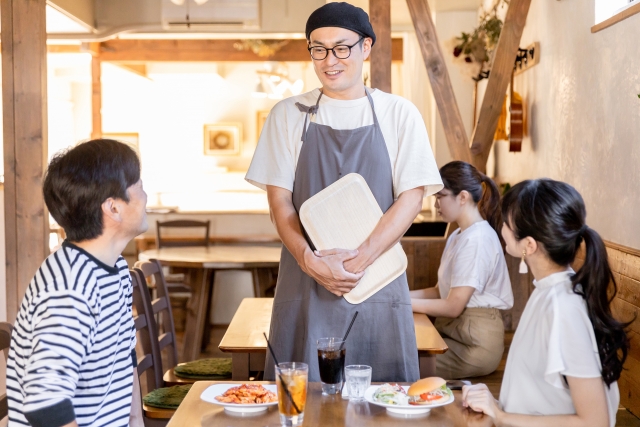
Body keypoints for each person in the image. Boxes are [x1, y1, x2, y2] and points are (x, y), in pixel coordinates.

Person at [245, 2, 443, 383]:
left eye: (341, 47)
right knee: (301, 401)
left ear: (365, 48)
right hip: (305, 279)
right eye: (317, 48)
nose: (329, 60)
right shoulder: (287, 114)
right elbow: (279, 203)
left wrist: (361, 258)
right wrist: (309, 259)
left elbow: (411, 199)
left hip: (376, 277)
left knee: (383, 399)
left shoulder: (399, 114)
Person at [462, 179, 629, 427]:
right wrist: (495, 404)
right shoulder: (549, 290)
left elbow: (596, 421)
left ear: (529, 245)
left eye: (506, 223)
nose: (501, 228)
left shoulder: (565, 307)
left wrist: (502, 416)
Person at [6, 139, 147, 427]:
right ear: (113, 208)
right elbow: (45, 403)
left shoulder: (116, 268)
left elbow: (125, 358)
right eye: (139, 186)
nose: (146, 196)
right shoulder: (71, 288)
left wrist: (136, 422)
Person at [410, 161, 513, 379]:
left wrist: (400, 303)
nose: (436, 203)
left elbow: (453, 306)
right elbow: (439, 292)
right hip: (456, 334)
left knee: (404, 363)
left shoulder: (478, 239)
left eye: (440, 196)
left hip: (474, 345)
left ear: (463, 197)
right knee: (403, 353)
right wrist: (398, 297)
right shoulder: (458, 236)